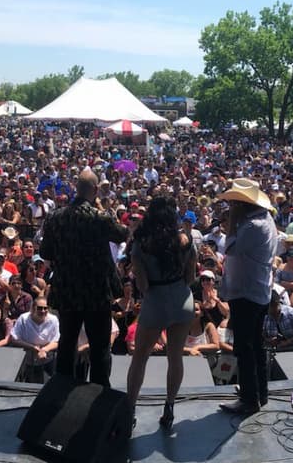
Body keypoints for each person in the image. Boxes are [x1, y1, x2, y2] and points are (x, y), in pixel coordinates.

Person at [38, 168, 128, 386]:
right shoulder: (99, 217)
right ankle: (99, 391)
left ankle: (62, 388)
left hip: (67, 290)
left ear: (75, 189)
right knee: (99, 347)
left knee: (67, 341)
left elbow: (45, 253)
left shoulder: (55, 217)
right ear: (95, 190)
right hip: (96, 292)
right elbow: (122, 234)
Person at [123, 196, 197, 426]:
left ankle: (130, 409)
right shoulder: (185, 240)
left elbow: (143, 286)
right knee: (175, 357)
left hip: (156, 301)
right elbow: (191, 277)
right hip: (182, 300)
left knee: (140, 358)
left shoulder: (141, 243)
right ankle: (170, 406)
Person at [217, 178, 278, 415]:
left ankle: (249, 399)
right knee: (255, 345)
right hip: (256, 291)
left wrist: (232, 222)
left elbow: (230, 248)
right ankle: (257, 393)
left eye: (234, 203)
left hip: (247, 294)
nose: (230, 207)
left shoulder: (252, 226)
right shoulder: (264, 219)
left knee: (244, 347)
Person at [8, 297, 60, 382]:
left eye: (45, 308)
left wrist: (44, 350)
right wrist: (32, 347)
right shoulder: (23, 318)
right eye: (39, 308)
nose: (43, 311)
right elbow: (14, 339)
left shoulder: (53, 319)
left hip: (48, 360)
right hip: (28, 361)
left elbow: (56, 341)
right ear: (33, 308)